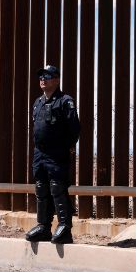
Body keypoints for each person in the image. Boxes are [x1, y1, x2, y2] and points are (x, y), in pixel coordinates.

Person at [25, 65, 81, 245]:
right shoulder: (38, 102)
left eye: (47, 76)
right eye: (41, 76)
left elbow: (74, 128)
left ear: (56, 80)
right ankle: (43, 226)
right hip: (39, 154)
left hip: (57, 153)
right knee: (41, 188)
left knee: (57, 188)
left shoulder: (65, 101)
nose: (43, 79)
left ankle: (64, 227)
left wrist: (67, 146)